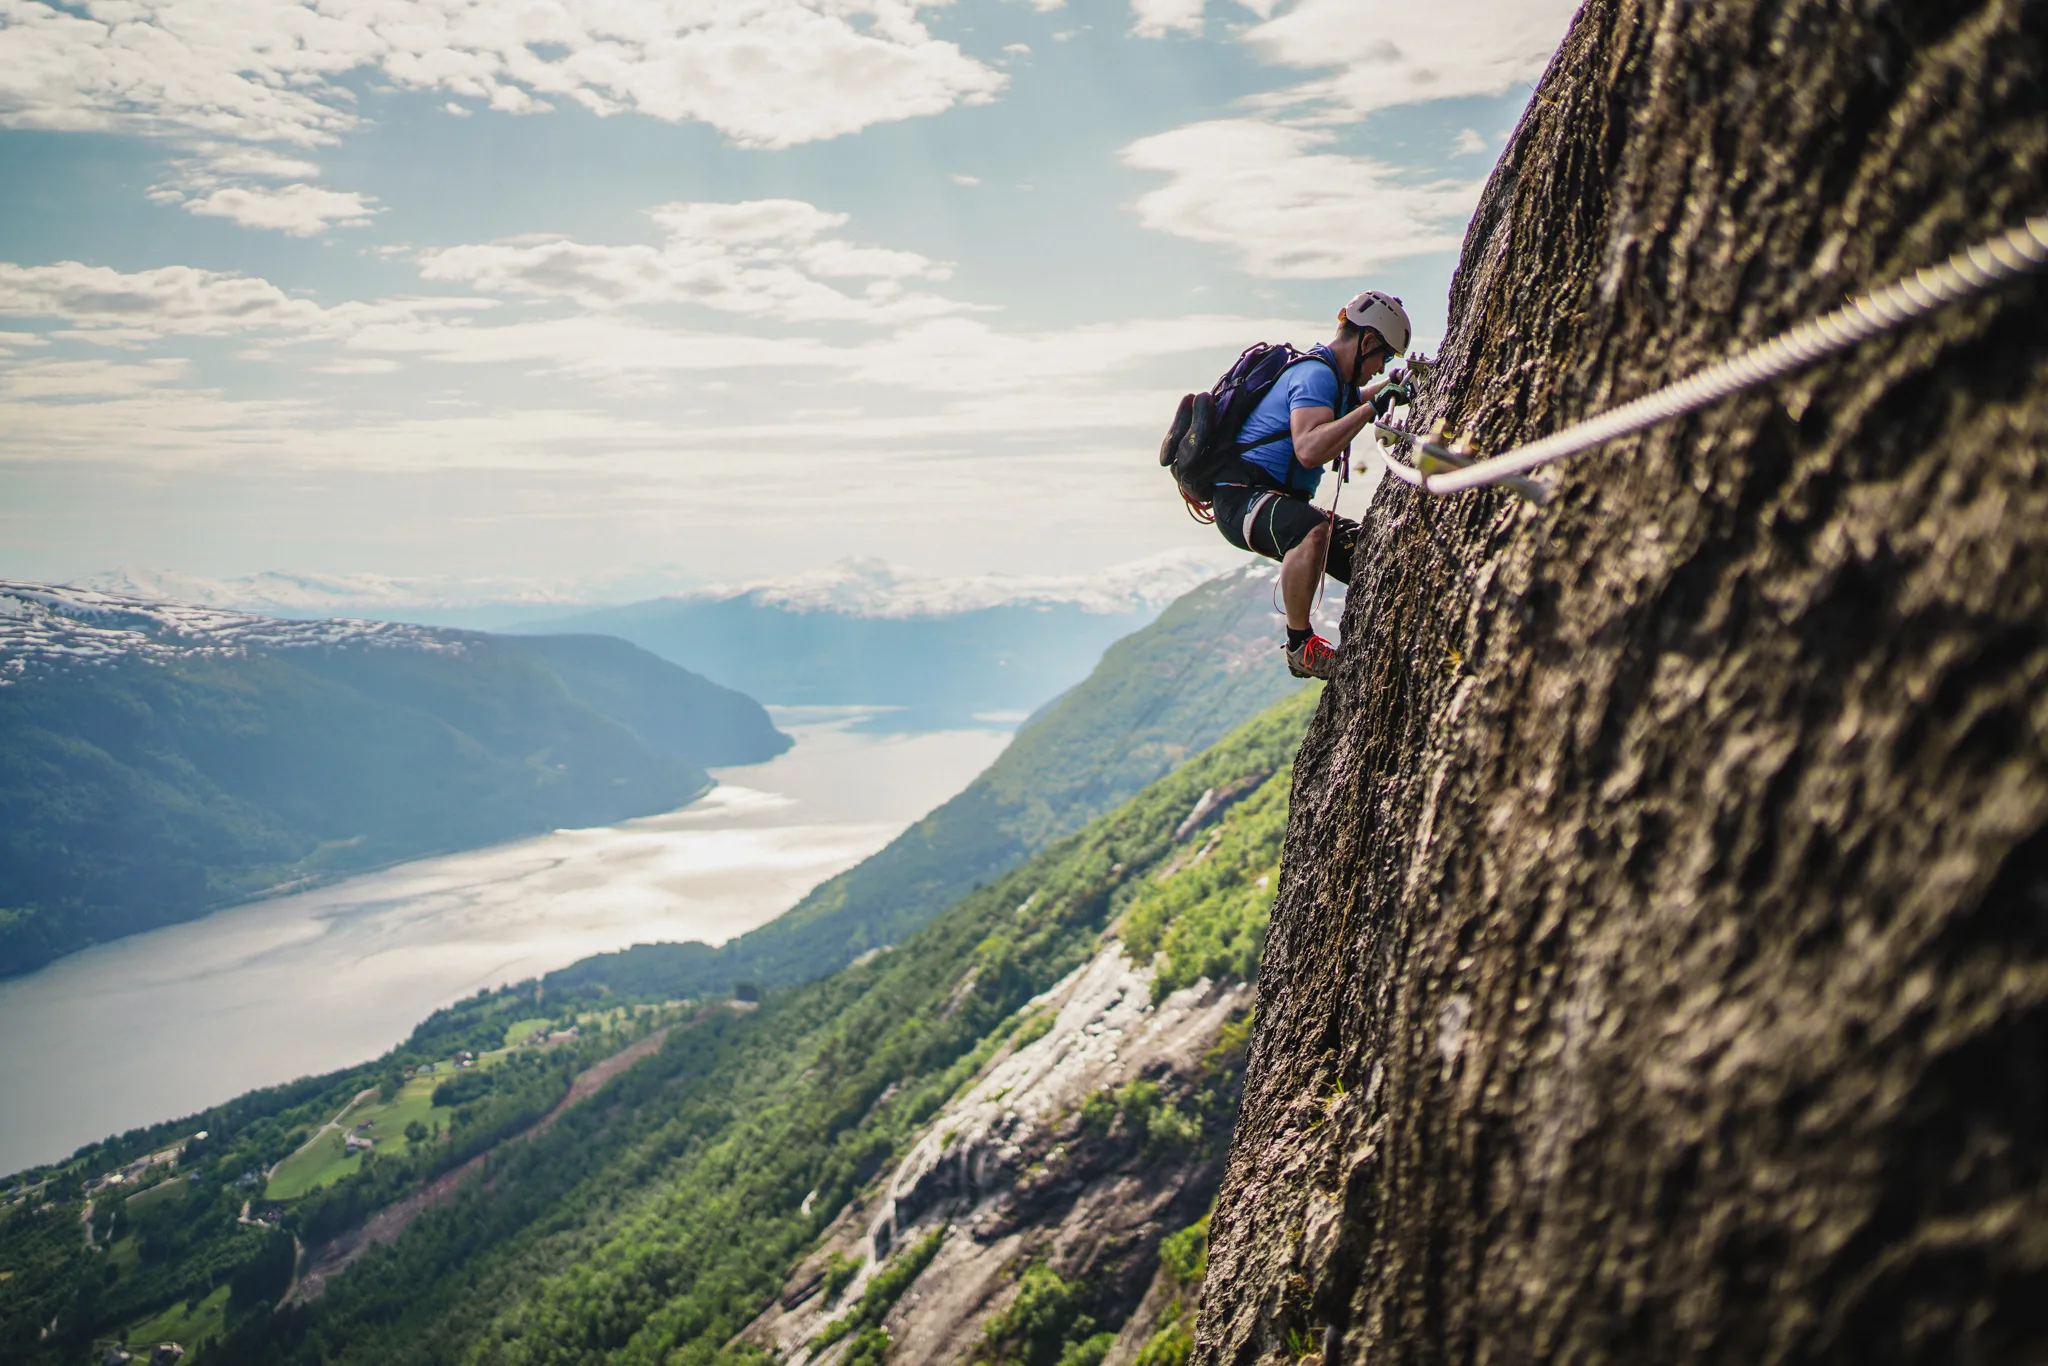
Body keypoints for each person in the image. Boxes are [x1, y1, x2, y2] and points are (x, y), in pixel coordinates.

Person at [1208, 290, 1412, 680]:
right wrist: (1373, 407)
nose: (1378, 367)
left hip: (1259, 498)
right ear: (1367, 342)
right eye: (1382, 358)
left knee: (1365, 552)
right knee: (1311, 531)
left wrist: (1390, 388)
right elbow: (1307, 449)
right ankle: (1300, 644)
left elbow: (1355, 399)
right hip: (1242, 499)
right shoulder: (1316, 374)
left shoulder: (1330, 375)